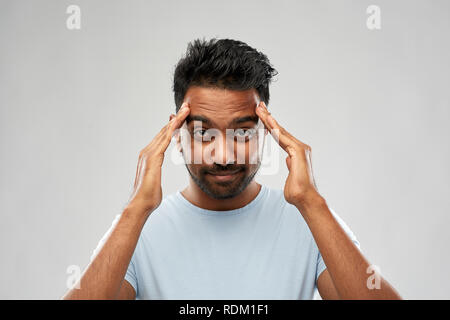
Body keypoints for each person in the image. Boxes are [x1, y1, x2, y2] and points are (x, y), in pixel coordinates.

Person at [62, 38, 401, 300]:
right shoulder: (137, 229)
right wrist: (135, 210)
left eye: (241, 131)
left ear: (266, 132)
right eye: (203, 132)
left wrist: (313, 203)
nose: (222, 154)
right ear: (177, 135)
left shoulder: (307, 220)